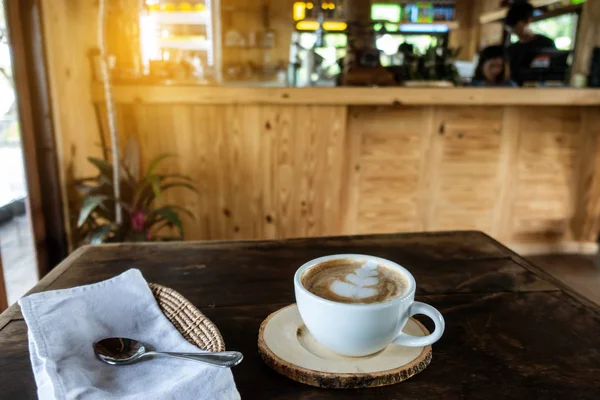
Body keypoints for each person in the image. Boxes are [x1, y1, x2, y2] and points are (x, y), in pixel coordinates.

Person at [505, 1, 555, 86]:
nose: (515, 32)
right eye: (512, 29)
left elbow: (553, 70)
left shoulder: (546, 43)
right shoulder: (511, 49)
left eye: (517, 27)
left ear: (528, 21)